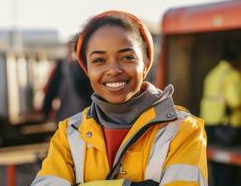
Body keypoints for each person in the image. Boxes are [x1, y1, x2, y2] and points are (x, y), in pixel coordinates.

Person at [32, 10, 207, 186]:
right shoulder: (69, 134)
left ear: (146, 63)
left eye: (127, 57)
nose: (114, 70)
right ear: (87, 69)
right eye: (99, 60)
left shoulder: (183, 130)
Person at [200, 45, 241, 186]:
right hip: (226, 128)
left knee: (217, 171)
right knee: (230, 175)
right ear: (235, 60)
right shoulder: (232, 75)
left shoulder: (211, 74)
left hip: (209, 126)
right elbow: (235, 101)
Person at [42, 41, 93, 121]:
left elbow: (90, 89)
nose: (71, 53)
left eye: (73, 51)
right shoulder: (61, 66)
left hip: (83, 111)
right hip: (64, 112)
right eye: (69, 50)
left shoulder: (83, 66)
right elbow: (52, 89)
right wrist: (46, 111)